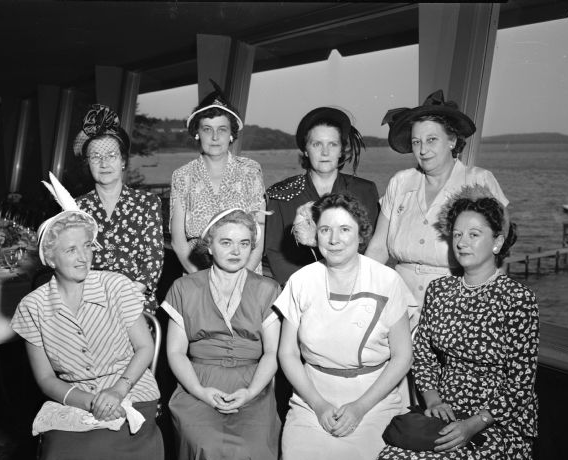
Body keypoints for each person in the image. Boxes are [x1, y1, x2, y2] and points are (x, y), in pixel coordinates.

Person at [375, 185, 539, 460]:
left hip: (497, 422)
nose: (462, 243)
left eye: (474, 235)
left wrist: (474, 424)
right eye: (457, 235)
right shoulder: (440, 290)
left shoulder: (517, 299)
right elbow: (423, 353)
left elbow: (520, 385)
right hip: (446, 410)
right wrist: (432, 398)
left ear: (497, 243)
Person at [10, 180, 163, 460]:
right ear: (50, 258)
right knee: (57, 457)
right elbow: (45, 379)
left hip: (131, 390)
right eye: (70, 250)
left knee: (101, 453)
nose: (84, 257)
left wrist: (118, 390)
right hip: (74, 399)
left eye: (87, 246)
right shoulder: (33, 307)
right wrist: (89, 401)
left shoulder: (115, 286)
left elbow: (145, 348)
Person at [275, 193, 414, 460]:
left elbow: (403, 356)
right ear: (316, 235)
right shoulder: (301, 281)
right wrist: (318, 405)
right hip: (311, 396)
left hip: (374, 400)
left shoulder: (387, 281)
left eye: (344, 229)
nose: (334, 239)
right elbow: (287, 353)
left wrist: (360, 408)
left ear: (361, 235)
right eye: (325, 230)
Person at [365, 90, 508, 327]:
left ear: (452, 141)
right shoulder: (400, 182)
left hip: (459, 307)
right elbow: (378, 248)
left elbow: (499, 252)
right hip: (398, 306)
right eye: (416, 142)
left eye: (432, 140)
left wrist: (487, 311)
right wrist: (360, 291)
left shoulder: (480, 181)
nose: (423, 150)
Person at [163, 209, 281, 460]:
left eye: (244, 243)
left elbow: (272, 352)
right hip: (197, 381)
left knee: (254, 450)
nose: (236, 251)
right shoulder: (184, 288)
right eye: (226, 242)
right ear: (210, 247)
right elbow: (176, 352)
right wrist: (200, 391)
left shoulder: (267, 289)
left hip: (252, 383)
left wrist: (250, 392)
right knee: (206, 446)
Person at [266, 107, 379, 286]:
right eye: (317, 144)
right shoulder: (280, 194)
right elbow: (275, 253)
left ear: (342, 150)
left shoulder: (365, 191)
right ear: (305, 150)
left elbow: (371, 247)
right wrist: (306, 291)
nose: (325, 152)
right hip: (299, 291)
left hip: (353, 288)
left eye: (332, 144)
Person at [75, 104, 164, 314]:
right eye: (96, 157)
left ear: (123, 161)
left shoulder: (147, 203)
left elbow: (154, 259)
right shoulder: (78, 207)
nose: (104, 163)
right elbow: (73, 260)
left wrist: (128, 297)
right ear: (88, 164)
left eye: (111, 156)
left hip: (135, 304)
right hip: (89, 305)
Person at [170, 82, 266, 274]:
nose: (215, 137)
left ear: (231, 134)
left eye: (222, 129)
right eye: (207, 129)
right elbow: (178, 240)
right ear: (197, 133)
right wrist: (200, 279)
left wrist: (240, 280)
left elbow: (260, 234)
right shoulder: (182, 176)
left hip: (245, 276)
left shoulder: (251, 171)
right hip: (197, 274)